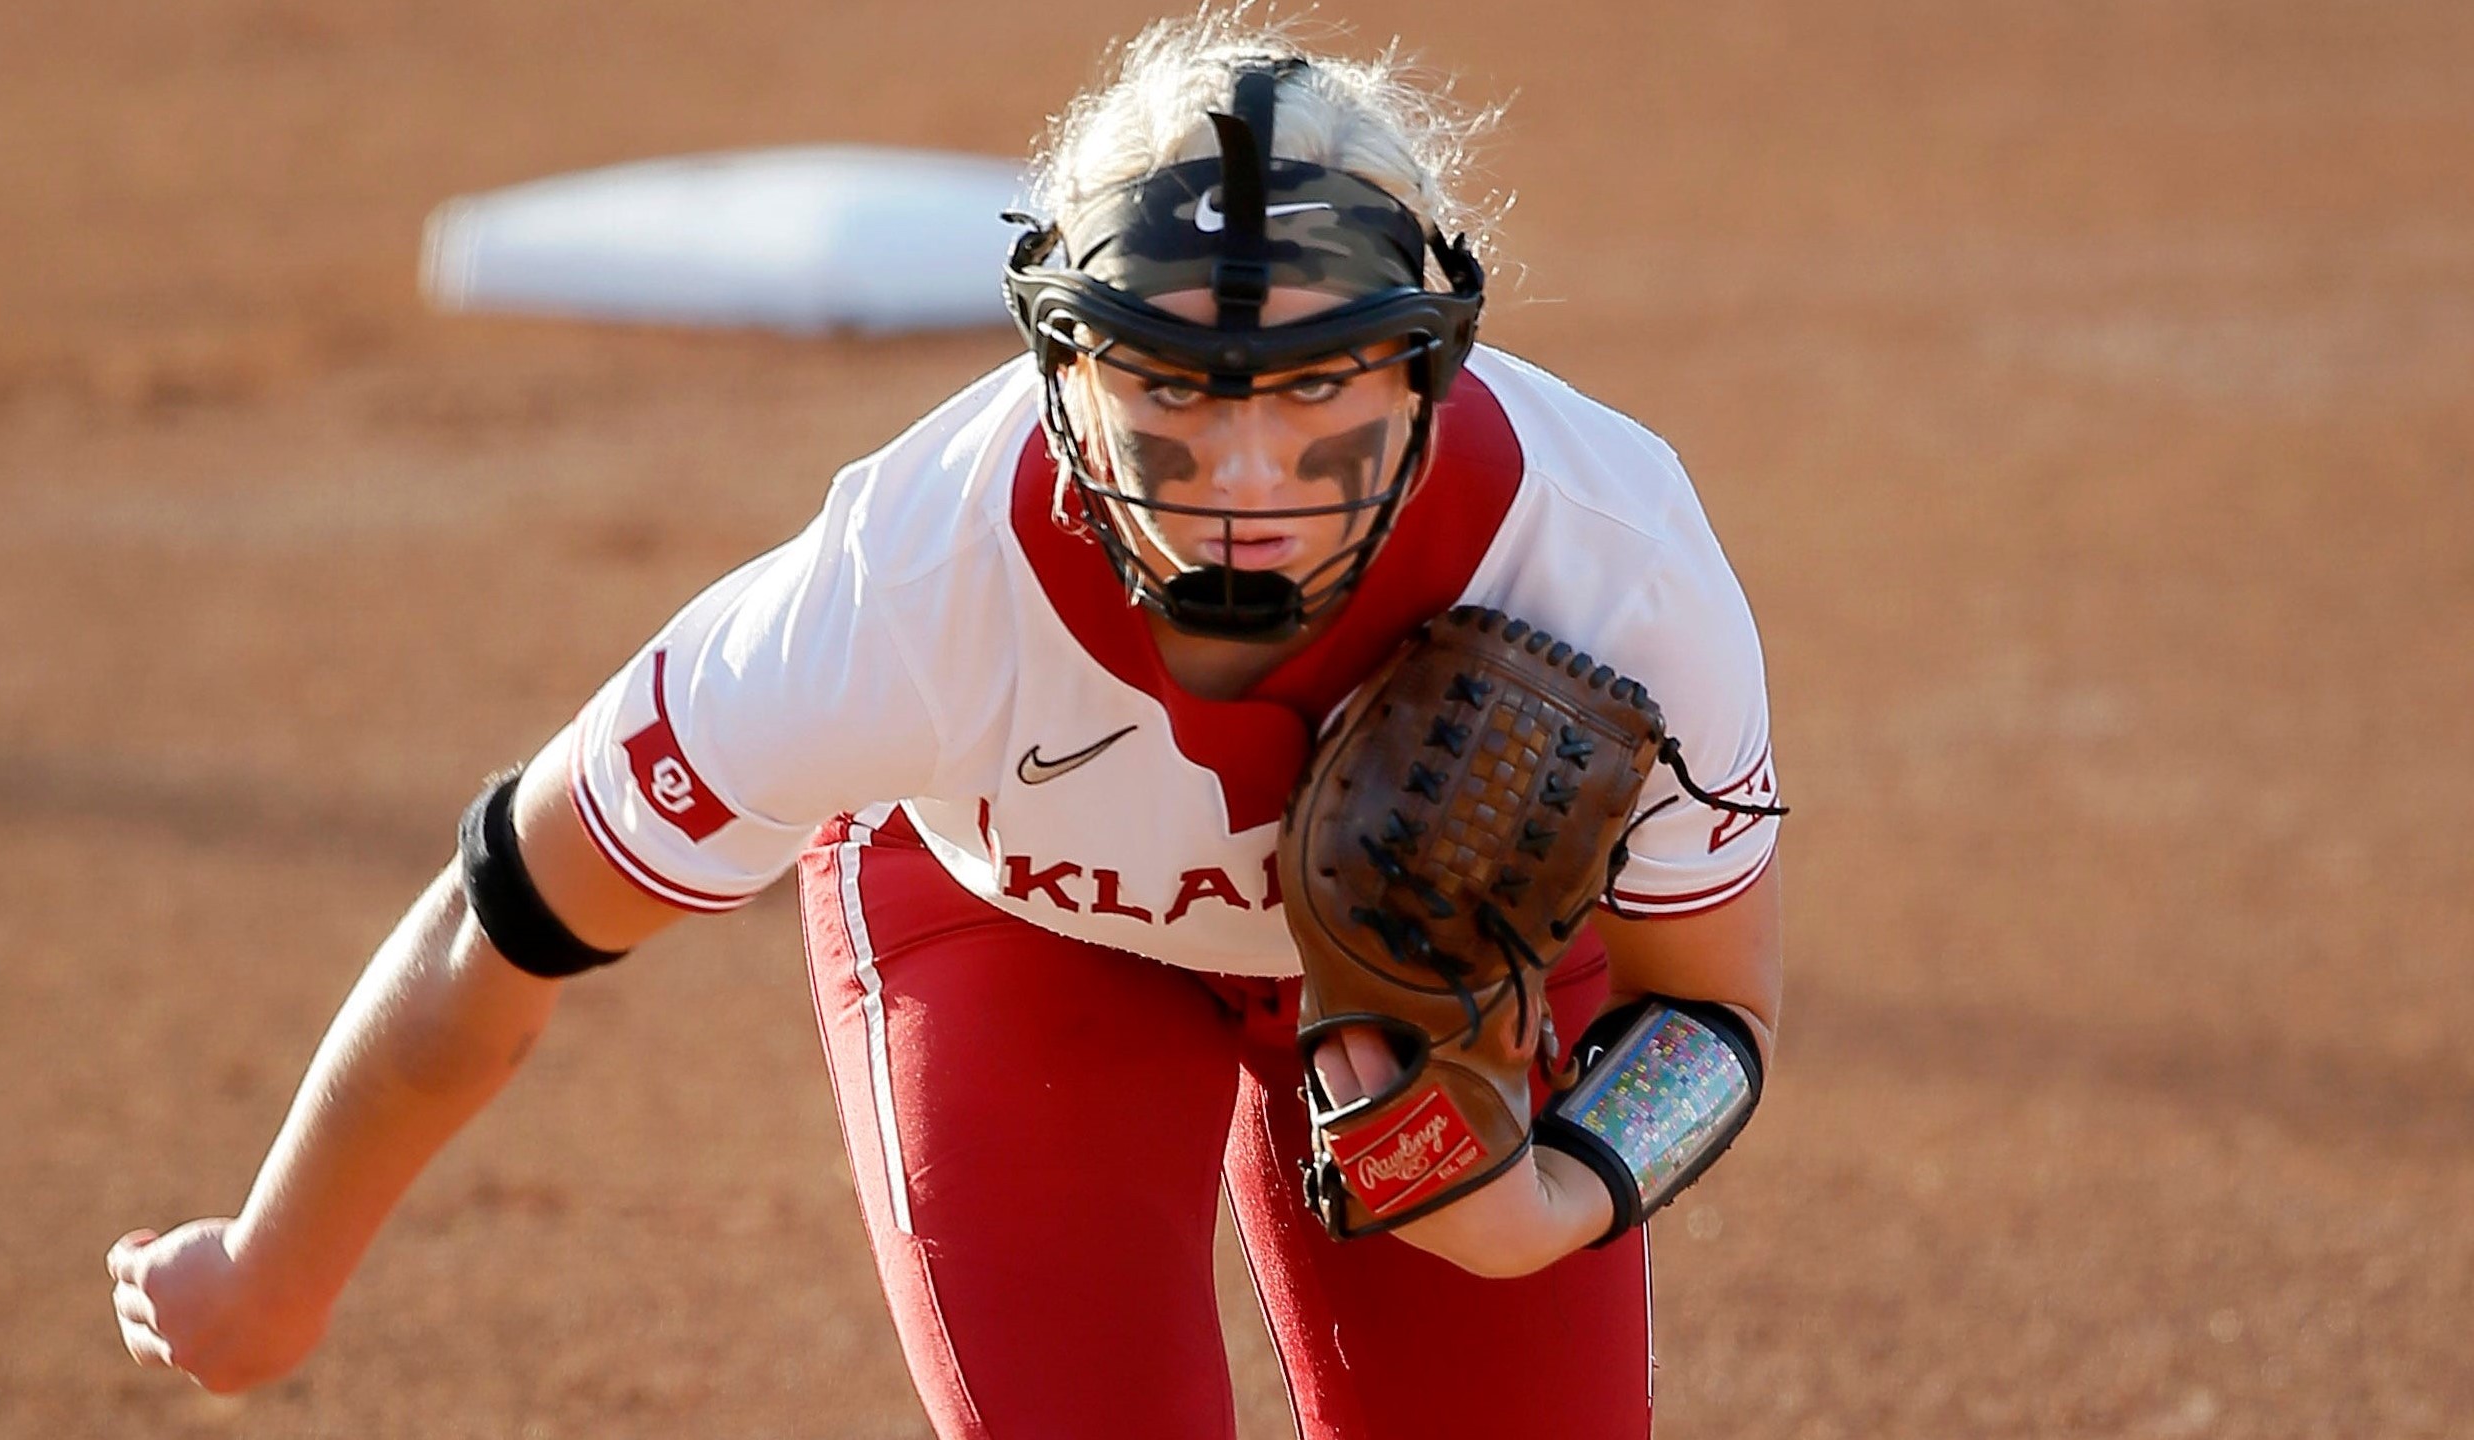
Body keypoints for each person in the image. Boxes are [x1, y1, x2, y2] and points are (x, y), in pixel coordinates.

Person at [108, 14, 1785, 1439]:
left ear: (1426, 368)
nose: (1248, 487)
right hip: (1015, 937)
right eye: (1174, 393)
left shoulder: (1605, 555)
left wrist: (1550, 1198)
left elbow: (1711, 1011)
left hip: (1453, 987)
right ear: (1060, 366)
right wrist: (274, 1270)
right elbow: (517, 914)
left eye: (1316, 388)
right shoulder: (910, 578)